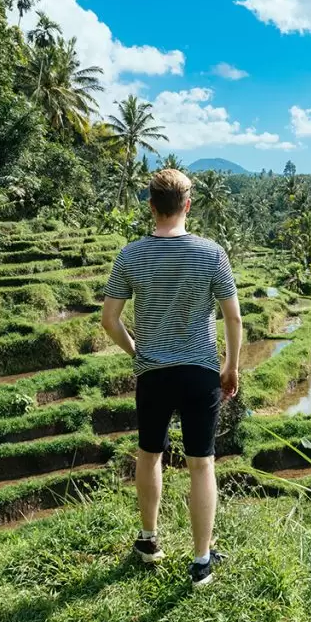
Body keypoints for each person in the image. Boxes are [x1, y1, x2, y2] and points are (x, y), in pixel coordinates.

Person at [101, 168, 243, 588]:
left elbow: (109, 319)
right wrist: (230, 366)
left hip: (154, 374)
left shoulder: (130, 255)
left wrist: (138, 352)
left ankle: (149, 541)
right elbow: (232, 316)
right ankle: (201, 561)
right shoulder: (211, 253)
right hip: (200, 372)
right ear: (188, 204)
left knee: (150, 454)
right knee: (202, 464)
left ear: (151, 205)